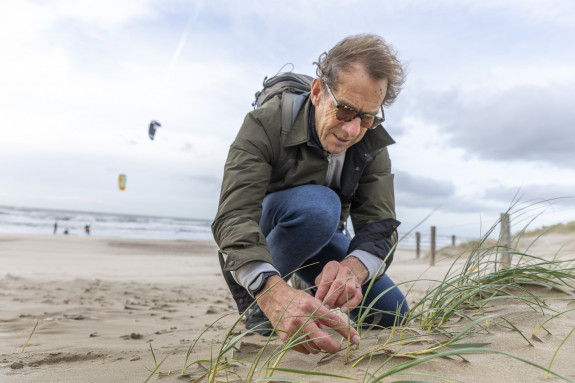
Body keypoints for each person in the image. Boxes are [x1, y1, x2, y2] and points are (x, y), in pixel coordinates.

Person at [212, 34, 409, 355]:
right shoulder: (265, 123)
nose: (352, 130)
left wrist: (351, 270)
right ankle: (260, 306)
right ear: (317, 92)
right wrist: (271, 292)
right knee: (320, 207)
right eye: (345, 111)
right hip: (267, 232)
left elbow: (380, 226)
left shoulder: (371, 142)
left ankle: (303, 287)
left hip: (323, 234)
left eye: (368, 117)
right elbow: (233, 217)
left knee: (390, 311)